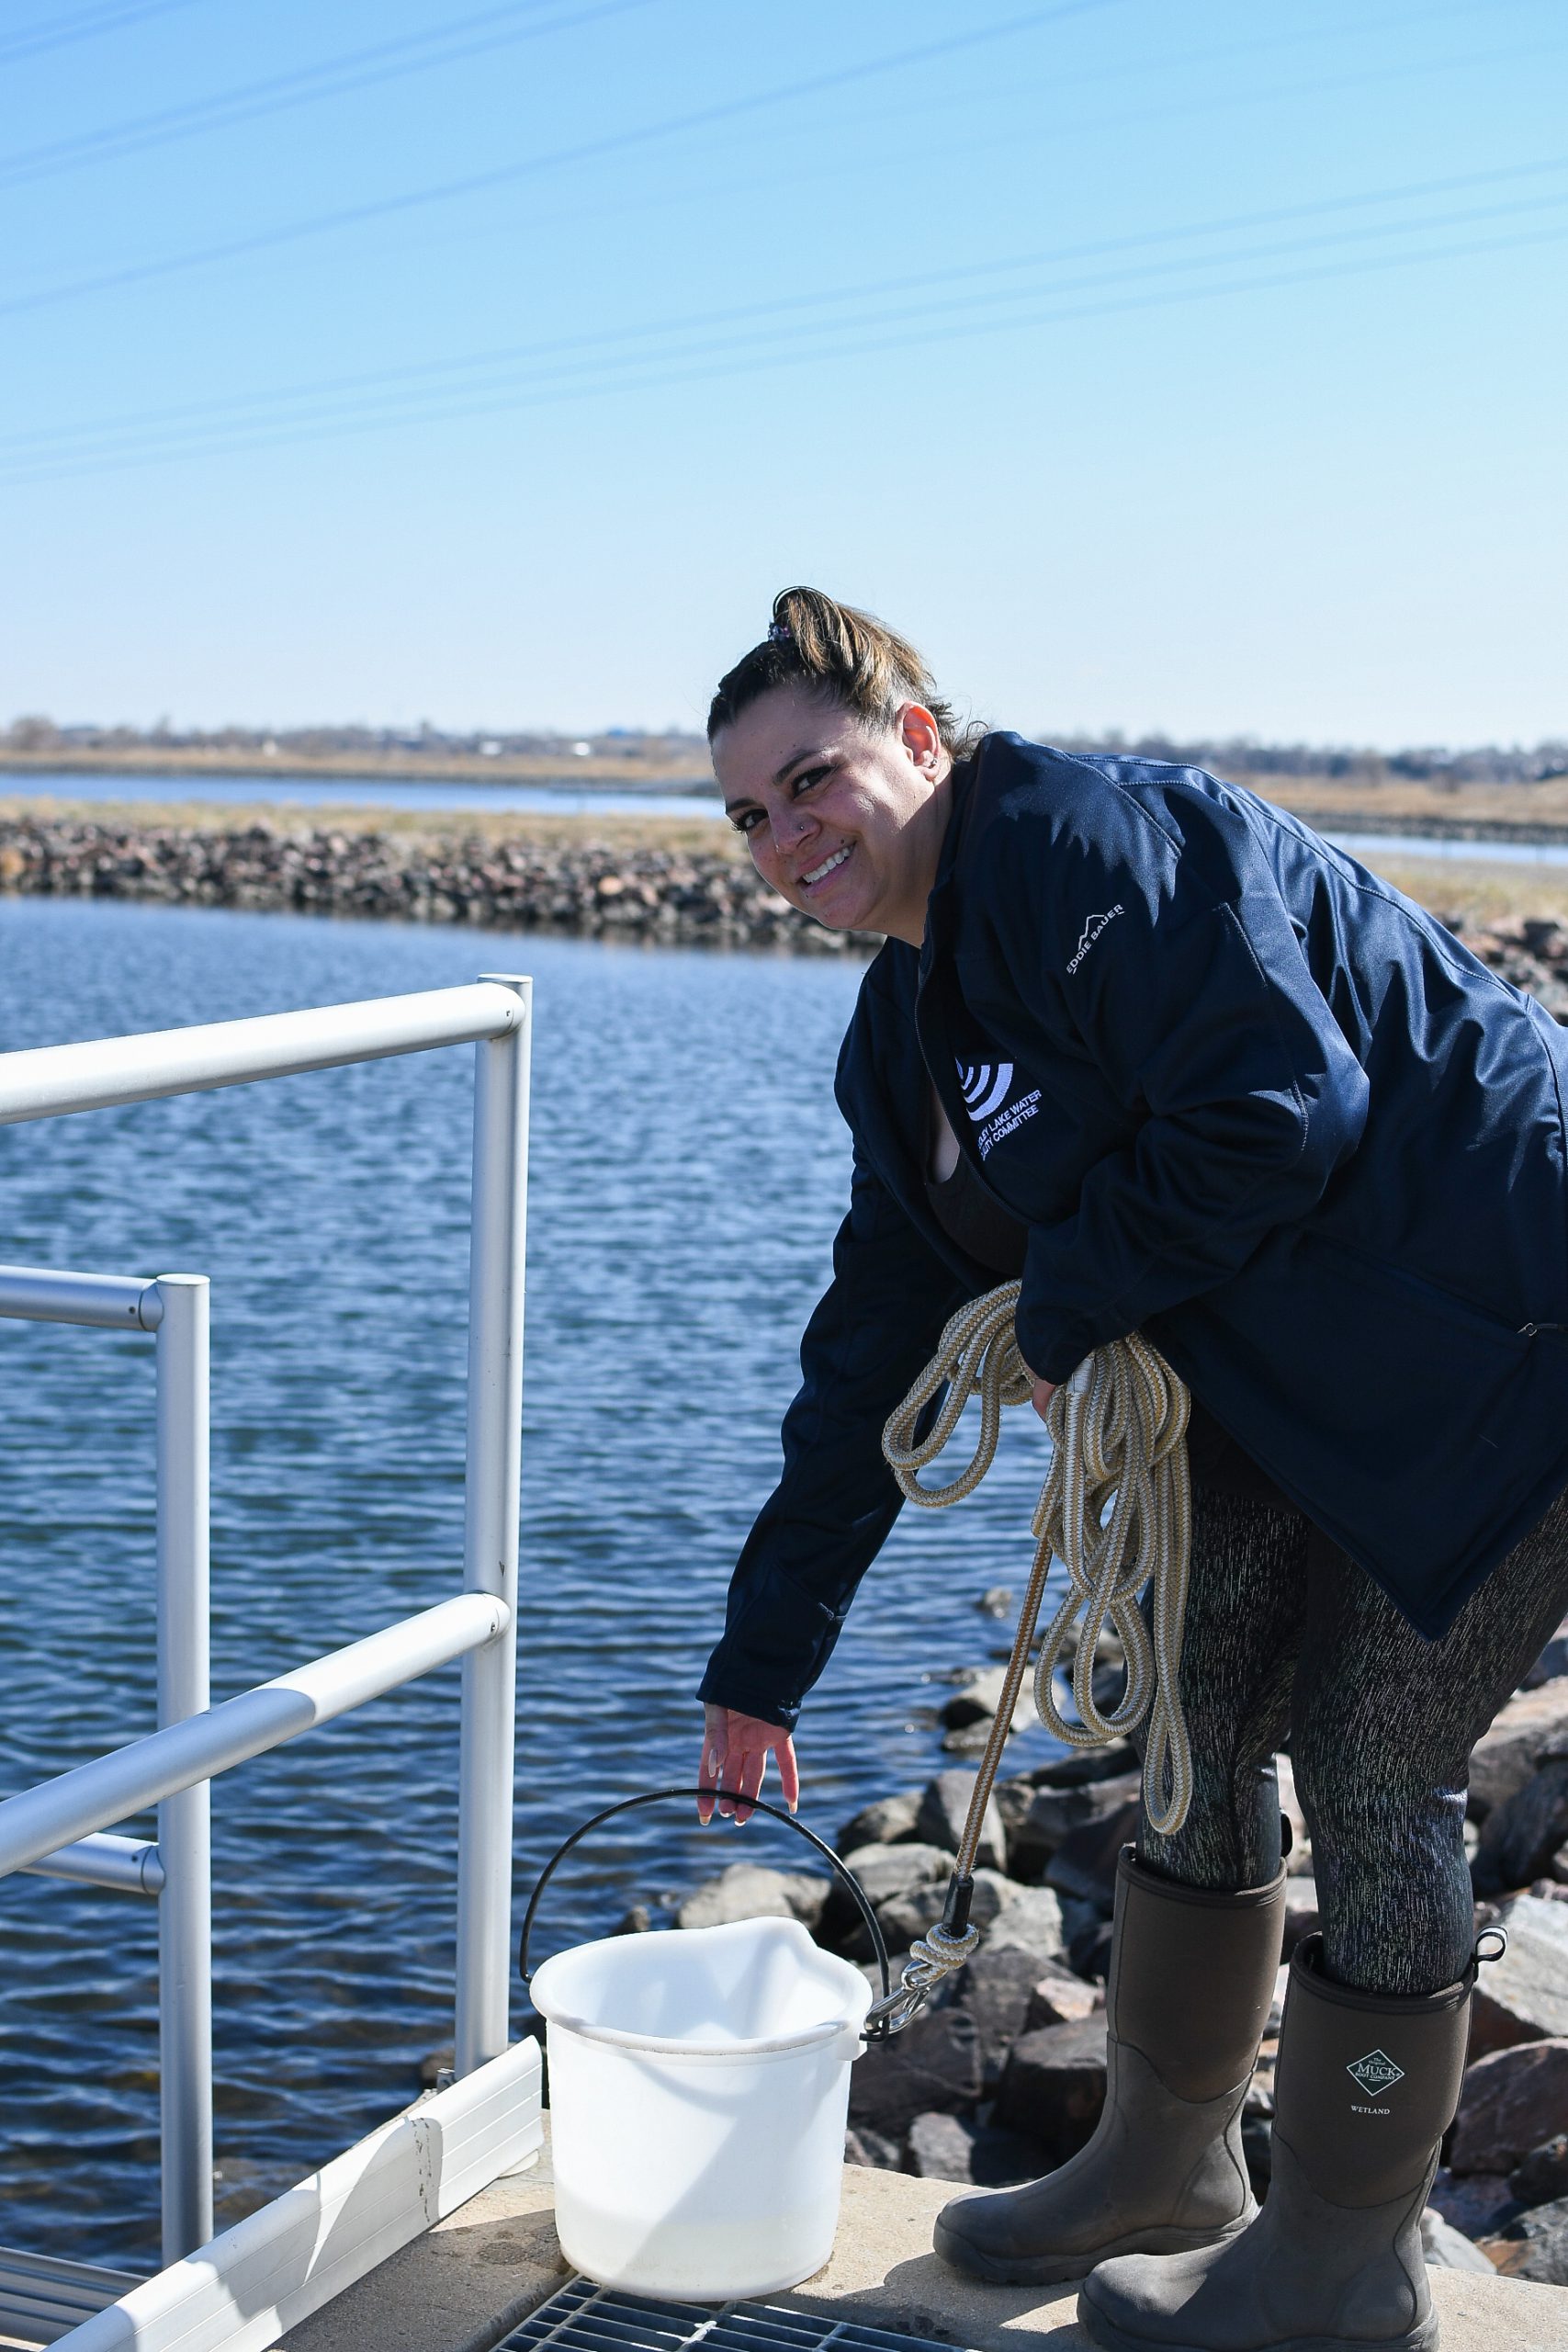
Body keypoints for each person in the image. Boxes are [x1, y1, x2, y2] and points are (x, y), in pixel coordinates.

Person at [691, 588, 1568, 2352]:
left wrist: (1067, 1303)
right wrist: (759, 1664)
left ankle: (1348, 2267)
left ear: (921, 740)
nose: (788, 838)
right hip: (1280, 1374)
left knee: (1376, 1768)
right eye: (748, 816)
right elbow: (873, 1343)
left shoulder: (1097, 846)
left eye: (815, 780)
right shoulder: (903, 1032)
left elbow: (1278, 1104)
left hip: (1510, 1331)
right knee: (1191, 1710)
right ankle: (1168, 2166)